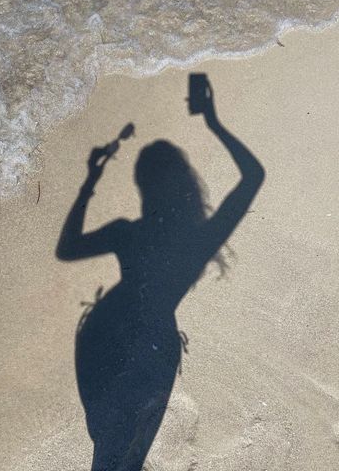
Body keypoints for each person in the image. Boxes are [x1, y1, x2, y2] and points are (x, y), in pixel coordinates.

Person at [56, 76, 265, 471]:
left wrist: (90, 182)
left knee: (107, 442)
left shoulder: (127, 232)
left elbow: (67, 249)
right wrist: (213, 122)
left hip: (106, 335)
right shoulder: (197, 244)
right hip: (152, 349)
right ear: (185, 186)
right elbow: (253, 176)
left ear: (142, 186)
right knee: (123, 454)